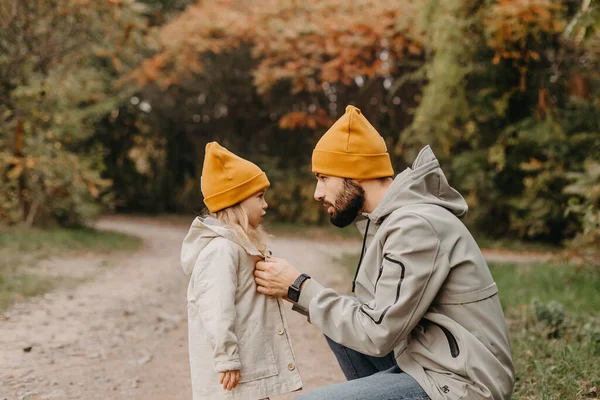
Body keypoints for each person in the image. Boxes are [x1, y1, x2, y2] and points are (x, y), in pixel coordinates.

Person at [254, 106, 515, 400]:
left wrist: (298, 287)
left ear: (356, 173)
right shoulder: (391, 220)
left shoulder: (416, 226)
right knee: (338, 319)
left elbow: (377, 333)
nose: (317, 192)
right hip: (429, 361)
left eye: (324, 177)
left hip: (463, 383)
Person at [181, 142, 302, 400]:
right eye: (259, 197)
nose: (266, 204)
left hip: (250, 370)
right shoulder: (221, 251)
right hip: (233, 376)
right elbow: (216, 308)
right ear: (236, 201)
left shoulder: (241, 246)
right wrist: (226, 358)